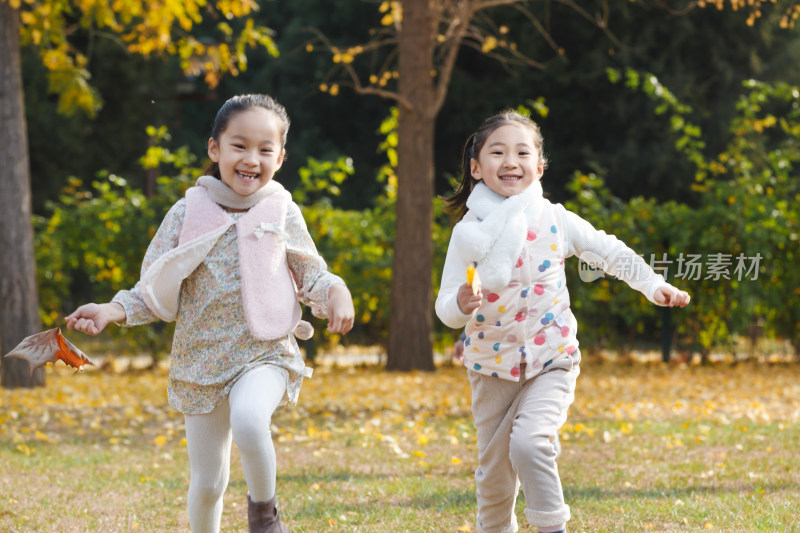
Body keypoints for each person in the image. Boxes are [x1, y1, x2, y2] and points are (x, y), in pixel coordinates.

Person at [66, 94, 355, 533]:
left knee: (250, 418)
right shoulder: (187, 213)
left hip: (265, 352)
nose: (251, 159)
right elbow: (154, 287)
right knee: (207, 483)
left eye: (264, 149)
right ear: (214, 149)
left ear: (280, 156)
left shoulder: (281, 210)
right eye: (239, 145)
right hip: (199, 361)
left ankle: (265, 517)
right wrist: (111, 310)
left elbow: (312, 274)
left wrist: (336, 292)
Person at [435, 110, 690, 533]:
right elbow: (445, 306)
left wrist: (651, 283)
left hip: (551, 358)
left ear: (539, 166)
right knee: (494, 480)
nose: (510, 161)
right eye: (497, 152)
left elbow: (607, 252)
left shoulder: (555, 219)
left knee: (531, 445)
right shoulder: (469, 233)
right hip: (490, 369)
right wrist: (461, 303)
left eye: (522, 151)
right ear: (477, 168)